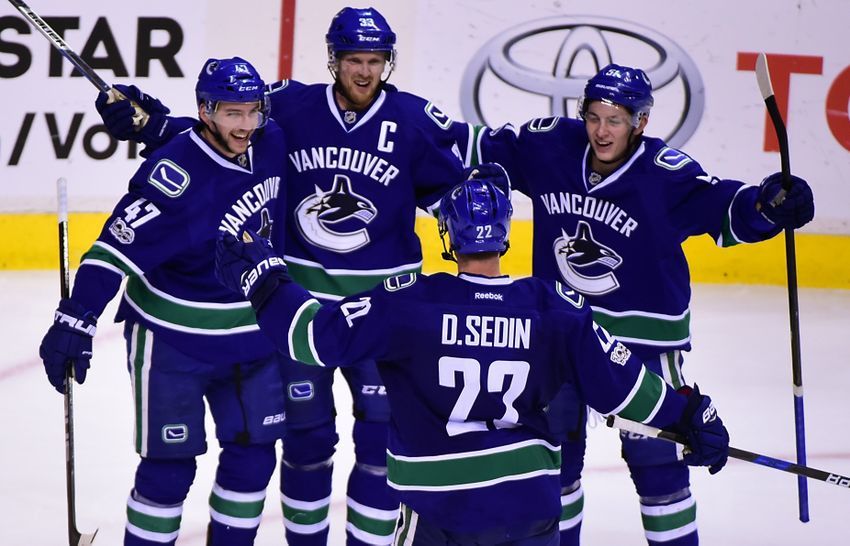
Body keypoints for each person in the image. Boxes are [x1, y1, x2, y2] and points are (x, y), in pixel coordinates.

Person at [94, 7, 467, 545]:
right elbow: (226, 126)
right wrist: (154, 126)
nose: (364, 72)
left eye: (375, 60)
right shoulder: (290, 104)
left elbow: (455, 195)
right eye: (353, 60)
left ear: (388, 61)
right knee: (307, 442)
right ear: (334, 60)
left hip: (386, 313)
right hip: (302, 314)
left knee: (383, 443)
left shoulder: (411, 120)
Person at [212, 174, 730, 546]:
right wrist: (690, 415)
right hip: (531, 509)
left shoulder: (409, 303)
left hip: (441, 512)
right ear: (506, 231)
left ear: (447, 235)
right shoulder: (555, 308)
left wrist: (263, 280)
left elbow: (312, 340)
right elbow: (625, 390)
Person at [450, 63, 815, 545]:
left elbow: (725, 209)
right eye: (594, 117)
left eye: (615, 120)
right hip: (561, 335)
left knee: (657, 467)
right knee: (554, 463)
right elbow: (474, 146)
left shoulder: (665, 176)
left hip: (642, 343)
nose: (601, 131)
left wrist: (768, 206)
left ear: (640, 123)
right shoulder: (550, 147)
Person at [38, 57, 288, 546]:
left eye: (251, 112)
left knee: (253, 456)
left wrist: (156, 124)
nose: (244, 125)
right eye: (231, 113)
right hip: (174, 343)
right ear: (206, 111)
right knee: (167, 471)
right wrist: (76, 317)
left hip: (253, 337)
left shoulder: (273, 140)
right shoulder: (173, 175)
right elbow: (114, 248)